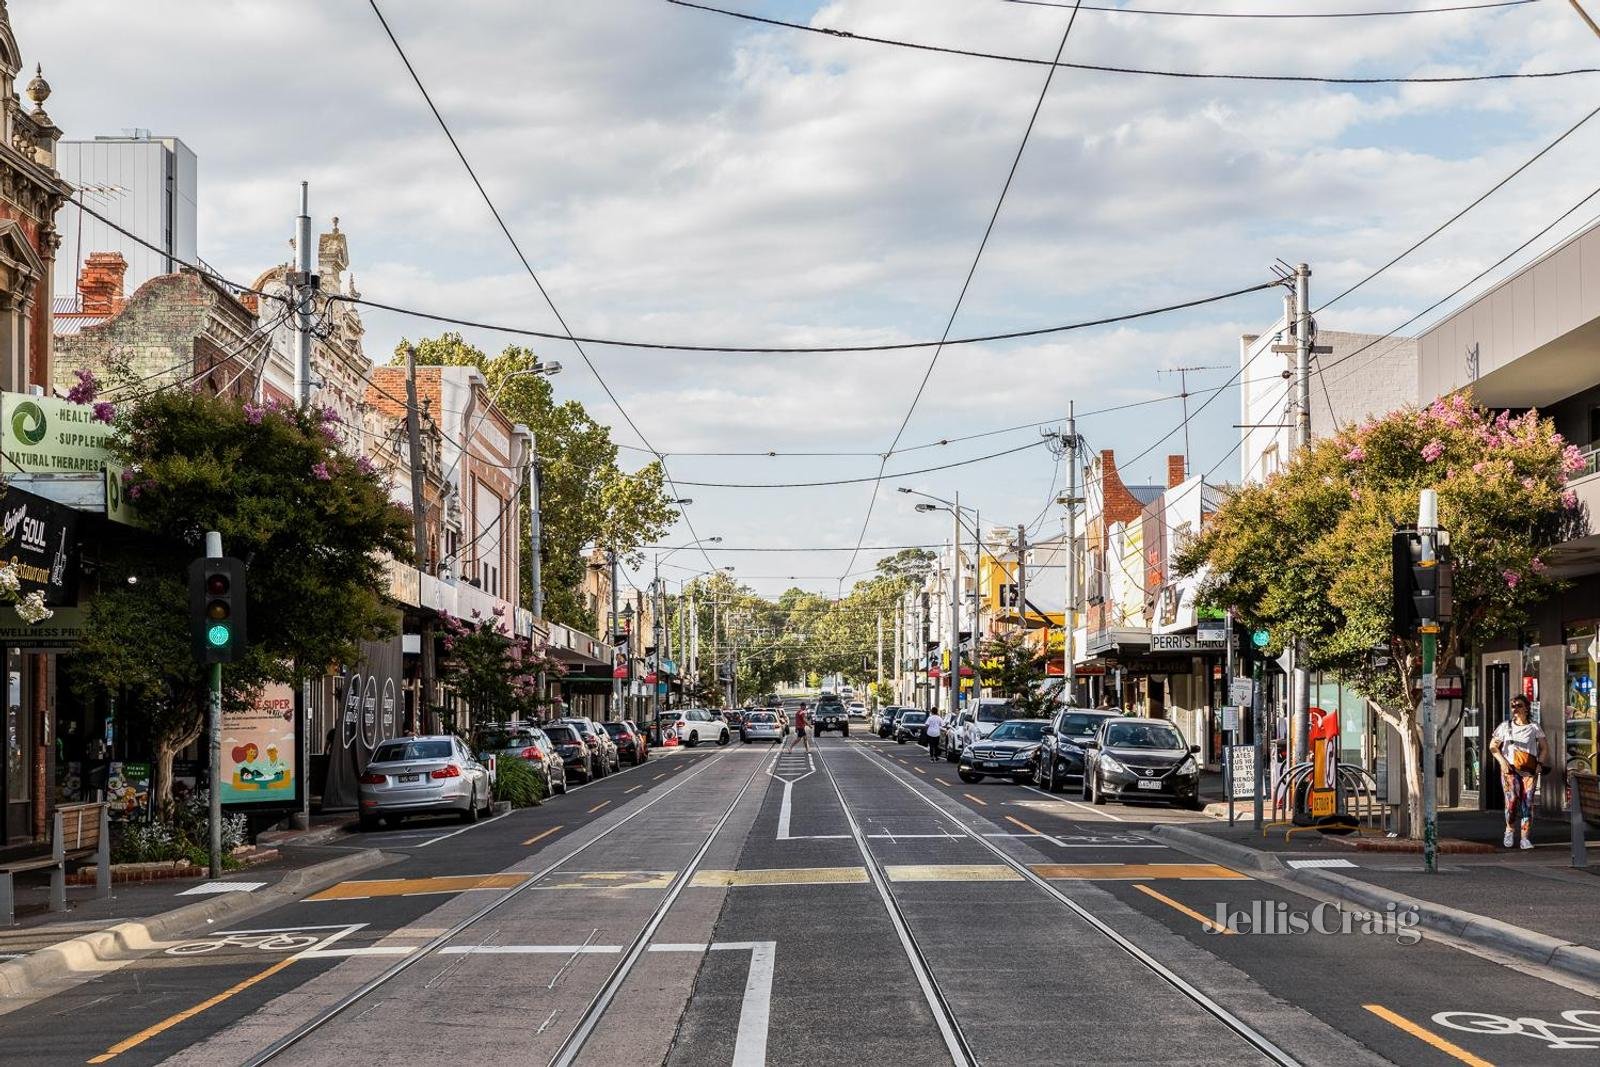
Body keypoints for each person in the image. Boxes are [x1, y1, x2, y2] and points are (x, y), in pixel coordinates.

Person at [1490, 695, 1549, 850]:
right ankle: (1509, 830)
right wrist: (1502, 762)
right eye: (1513, 706)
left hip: (1529, 771)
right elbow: (1493, 747)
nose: (1515, 709)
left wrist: (1540, 764)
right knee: (1511, 803)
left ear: (1526, 708)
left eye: (1519, 705)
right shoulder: (1505, 726)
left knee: (1527, 802)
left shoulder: (1534, 727)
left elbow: (1544, 748)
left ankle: (1524, 838)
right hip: (1509, 769)